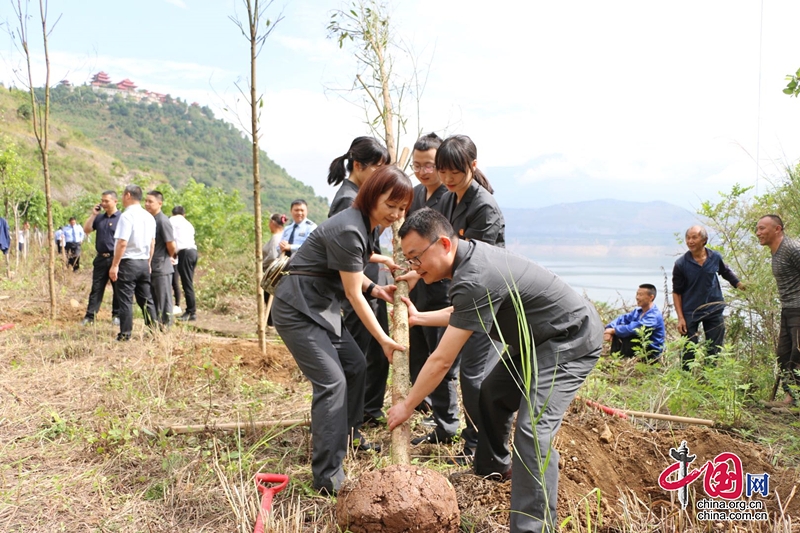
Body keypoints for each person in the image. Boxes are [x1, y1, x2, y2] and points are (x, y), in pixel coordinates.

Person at [388, 208, 602, 533]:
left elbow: (442, 360)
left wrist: (406, 405)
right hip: (536, 340)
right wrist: (420, 318)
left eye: (417, 258)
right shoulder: (469, 262)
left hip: (568, 337)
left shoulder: (474, 274)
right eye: (410, 261)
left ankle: (534, 527)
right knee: (493, 392)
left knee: (533, 431)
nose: (415, 268)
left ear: (444, 244)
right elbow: (465, 310)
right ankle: (493, 467)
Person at [272, 166, 411, 495]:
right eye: (390, 204)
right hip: (299, 310)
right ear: (372, 195)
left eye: (402, 208)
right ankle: (327, 476)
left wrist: (377, 287)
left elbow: (352, 266)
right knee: (332, 383)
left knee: (355, 365)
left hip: (321, 308)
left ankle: (347, 437)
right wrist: (384, 340)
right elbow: (352, 293)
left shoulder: (364, 226)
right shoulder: (350, 227)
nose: (395, 214)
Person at [406, 134, 506, 463]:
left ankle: (481, 444)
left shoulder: (484, 206)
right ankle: (456, 430)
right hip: (463, 293)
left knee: (474, 375)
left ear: (473, 167)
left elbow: (476, 262)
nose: (447, 179)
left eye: (455, 172)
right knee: (457, 368)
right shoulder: (450, 199)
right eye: (443, 172)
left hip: (487, 298)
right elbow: (441, 249)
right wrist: (418, 270)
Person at [327, 136, 393, 426]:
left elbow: (363, 251)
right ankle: (354, 420)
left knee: (372, 356)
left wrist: (382, 263)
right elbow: (346, 254)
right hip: (355, 289)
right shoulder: (348, 200)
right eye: (377, 168)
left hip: (367, 285)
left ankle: (366, 412)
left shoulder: (359, 195)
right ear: (358, 165)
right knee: (358, 358)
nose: (380, 175)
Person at [406, 132, 461, 446]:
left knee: (442, 356)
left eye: (429, 165)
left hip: (442, 288)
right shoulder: (414, 195)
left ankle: (447, 425)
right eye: (417, 165)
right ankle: (431, 409)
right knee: (419, 352)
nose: (424, 171)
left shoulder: (449, 197)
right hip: (418, 283)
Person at [672, 225, 743, 370]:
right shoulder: (681, 264)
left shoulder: (714, 257)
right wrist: (680, 317)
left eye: (694, 237)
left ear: (704, 240)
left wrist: (739, 284)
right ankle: (686, 381)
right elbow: (676, 292)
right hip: (690, 311)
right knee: (689, 348)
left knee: (714, 348)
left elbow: (725, 272)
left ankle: (710, 378)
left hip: (714, 308)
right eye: (688, 238)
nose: (690, 241)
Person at [756, 215, 800, 408]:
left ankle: (793, 401)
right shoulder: (776, 252)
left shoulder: (792, 249)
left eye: (762, 228)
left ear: (777, 229)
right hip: (788, 308)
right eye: (757, 229)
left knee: (797, 355)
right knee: (783, 354)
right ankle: (790, 397)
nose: (758, 233)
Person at [109, 185, 158, 342]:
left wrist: (115, 265)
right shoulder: (149, 216)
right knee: (146, 300)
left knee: (125, 299)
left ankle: (125, 334)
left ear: (128, 195)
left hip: (128, 262)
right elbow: (152, 243)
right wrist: (148, 262)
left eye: (123, 195)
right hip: (143, 262)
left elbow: (122, 243)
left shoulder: (126, 216)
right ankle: (154, 331)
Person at [81, 190, 122, 326]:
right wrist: (94, 214)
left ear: (115, 201)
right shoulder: (99, 218)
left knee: (118, 289)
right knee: (96, 288)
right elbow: (86, 230)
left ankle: (117, 315)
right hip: (100, 258)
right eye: (102, 201)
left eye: (106, 201)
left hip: (116, 258)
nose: (103, 203)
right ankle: (90, 316)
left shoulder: (122, 218)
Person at [604, 284, 665, 360]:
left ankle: (622, 360)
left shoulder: (653, 316)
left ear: (651, 297)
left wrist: (613, 330)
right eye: (637, 294)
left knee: (626, 332)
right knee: (619, 330)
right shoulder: (638, 311)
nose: (637, 297)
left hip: (650, 353)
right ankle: (615, 359)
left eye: (641, 295)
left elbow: (632, 328)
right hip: (638, 348)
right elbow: (622, 318)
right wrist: (609, 328)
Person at [144, 191, 177, 327]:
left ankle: (166, 329)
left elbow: (171, 244)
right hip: (150, 266)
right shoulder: (149, 220)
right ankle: (155, 328)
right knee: (152, 300)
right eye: (145, 201)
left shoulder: (163, 221)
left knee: (164, 301)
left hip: (161, 267)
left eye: (150, 201)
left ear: (160, 203)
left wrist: (167, 257)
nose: (147, 204)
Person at [170, 206, 198, 322]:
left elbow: (171, 239)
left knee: (187, 283)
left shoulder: (171, 221)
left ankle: (191, 311)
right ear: (184, 214)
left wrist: (172, 254)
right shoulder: (188, 224)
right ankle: (191, 310)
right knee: (188, 282)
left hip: (185, 253)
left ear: (173, 213)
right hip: (193, 252)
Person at [262, 212, 287, 328]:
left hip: (273, 273)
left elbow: (272, 256)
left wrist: (262, 265)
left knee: (270, 299)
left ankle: (271, 325)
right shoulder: (282, 236)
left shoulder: (276, 238)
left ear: (272, 223)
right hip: (276, 272)